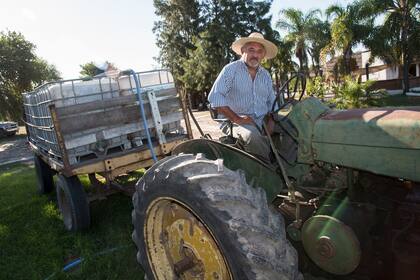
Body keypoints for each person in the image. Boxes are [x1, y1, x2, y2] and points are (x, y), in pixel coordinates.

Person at [208, 32, 278, 163]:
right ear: (242, 51)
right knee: (252, 136)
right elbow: (215, 97)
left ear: (263, 55)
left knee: (293, 128)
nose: (255, 55)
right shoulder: (230, 70)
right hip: (234, 122)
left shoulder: (265, 75)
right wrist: (237, 118)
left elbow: (272, 102)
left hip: (261, 120)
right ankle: (265, 172)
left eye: (259, 51)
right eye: (251, 50)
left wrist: (271, 120)